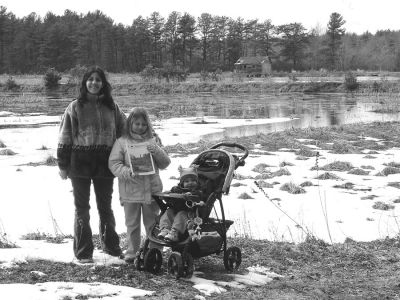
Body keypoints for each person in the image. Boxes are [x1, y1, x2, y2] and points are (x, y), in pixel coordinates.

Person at [57, 66, 126, 264]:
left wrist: (148, 140)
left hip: (106, 164)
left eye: (98, 80)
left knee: (105, 207)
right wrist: (63, 164)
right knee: (82, 208)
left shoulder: (112, 107)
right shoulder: (75, 107)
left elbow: (124, 132)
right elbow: (65, 136)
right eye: (90, 79)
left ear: (103, 84)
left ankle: (111, 247)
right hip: (79, 165)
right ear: (85, 83)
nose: (94, 83)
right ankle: (83, 252)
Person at [108, 107, 171, 263]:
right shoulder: (121, 142)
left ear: (148, 125)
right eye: (137, 123)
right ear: (130, 124)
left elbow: (165, 163)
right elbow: (114, 164)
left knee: (153, 223)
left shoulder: (154, 140)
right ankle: (132, 252)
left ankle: (155, 252)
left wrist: (156, 151)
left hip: (152, 191)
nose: (140, 127)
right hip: (130, 191)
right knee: (132, 225)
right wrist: (127, 171)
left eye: (143, 124)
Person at [158, 167, 204, 242]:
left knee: (181, 214)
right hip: (175, 213)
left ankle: (174, 233)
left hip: (189, 216)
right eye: (187, 181)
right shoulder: (176, 189)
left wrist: (190, 195)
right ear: (182, 183)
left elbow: (198, 198)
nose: (190, 183)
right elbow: (170, 198)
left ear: (197, 182)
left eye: (193, 180)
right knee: (168, 212)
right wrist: (166, 195)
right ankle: (165, 229)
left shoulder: (198, 191)